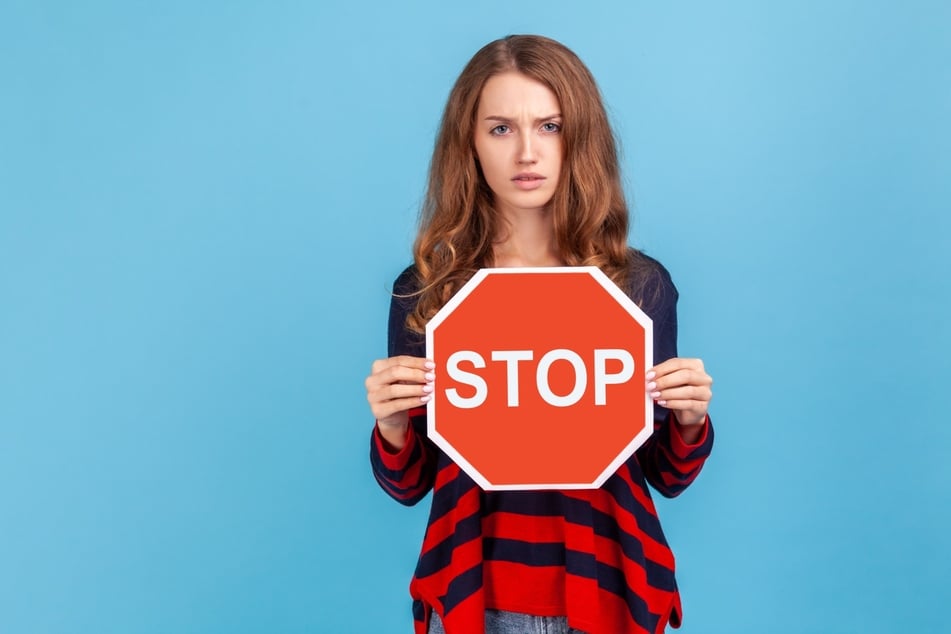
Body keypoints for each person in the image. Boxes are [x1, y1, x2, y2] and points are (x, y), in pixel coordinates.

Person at [365, 35, 714, 634]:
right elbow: (411, 485)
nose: (527, 151)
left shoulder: (638, 287)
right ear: (469, 144)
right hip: (476, 589)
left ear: (579, 137)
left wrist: (689, 421)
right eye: (500, 129)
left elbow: (665, 476)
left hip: (609, 587)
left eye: (549, 126)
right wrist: (391, 428)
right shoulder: (427, 291)